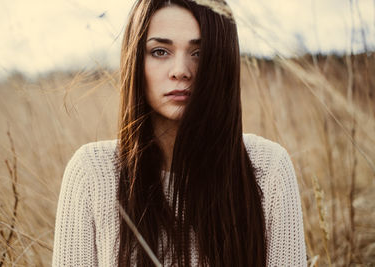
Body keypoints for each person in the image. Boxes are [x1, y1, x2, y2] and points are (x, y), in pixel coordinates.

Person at [52, 0, 307, 266]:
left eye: (199, 52)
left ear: (222, 61)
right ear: (135, 61)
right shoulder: (92, 171)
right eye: (160, 51)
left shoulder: (268, 167)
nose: (180, 72)